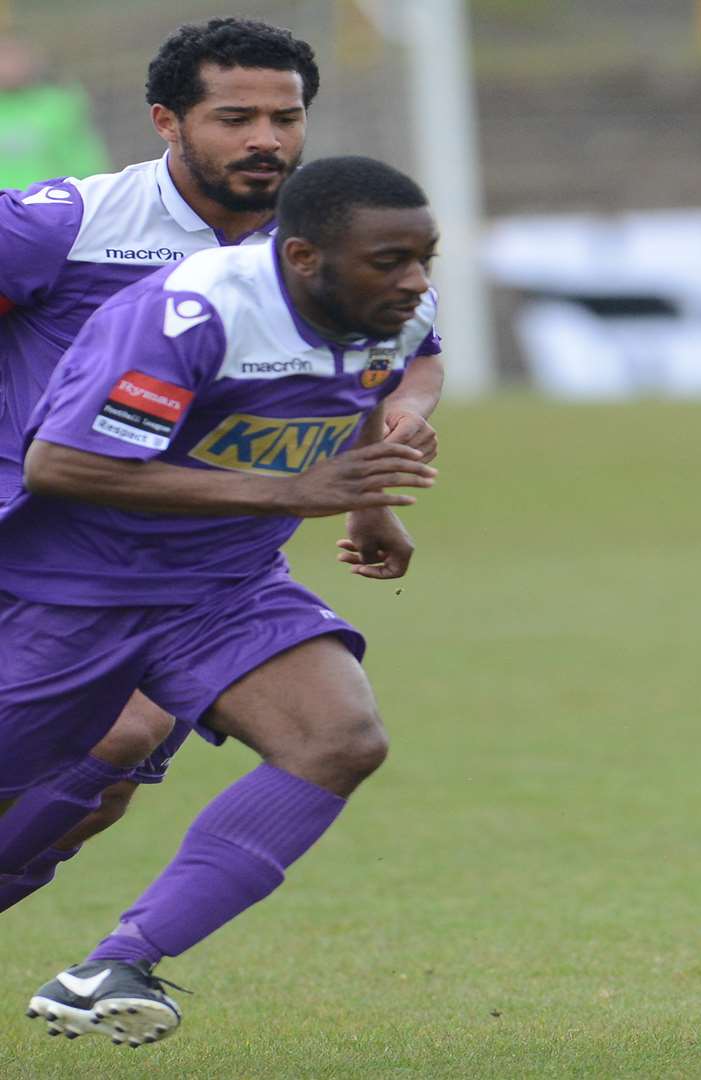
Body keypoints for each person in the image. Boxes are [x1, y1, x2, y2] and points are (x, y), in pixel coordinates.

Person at [0, 17, 442, 914]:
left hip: (197, 562)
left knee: (103, 786)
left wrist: (394, 422)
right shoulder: (75, 225)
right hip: (44, 541)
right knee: (119, 731)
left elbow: (417, 345)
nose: (266, 140)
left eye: (286, 117)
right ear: (168, 122)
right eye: (236, 117)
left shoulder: (321, 240)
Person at [0, 34, 110, 191]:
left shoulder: (59, 106)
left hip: (48, 207)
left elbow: (83, 158)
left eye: (14, 56)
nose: (9, 65)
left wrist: (95, 190)